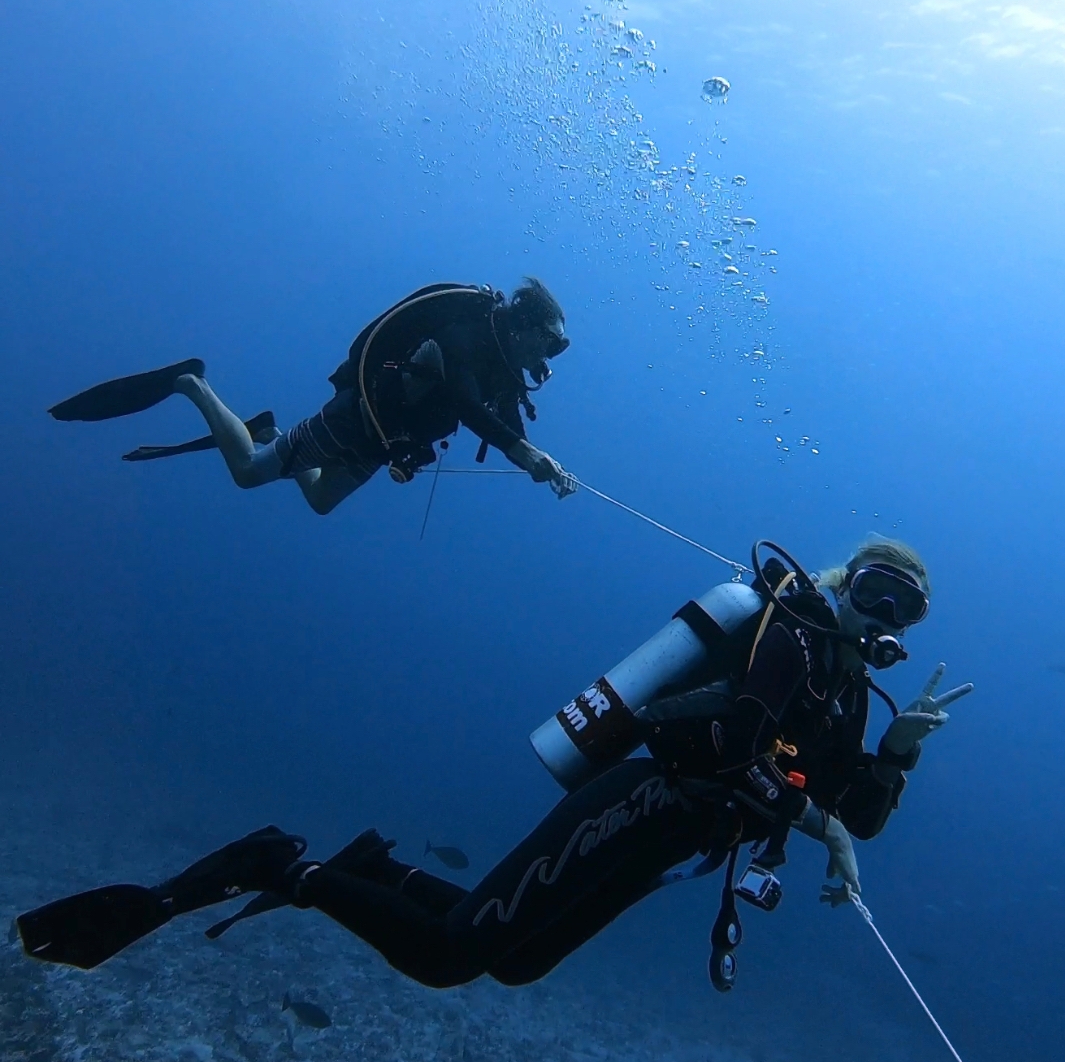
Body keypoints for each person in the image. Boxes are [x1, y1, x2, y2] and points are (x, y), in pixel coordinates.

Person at [16, 537, 972, 991]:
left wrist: (894, 755)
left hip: (678, 843)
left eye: (907, 613)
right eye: (881, 593)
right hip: (644, 804)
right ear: (850, 580)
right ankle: (287, 867)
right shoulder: (790, 637)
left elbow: (856, 807)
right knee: (449, 958)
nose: (887, 619)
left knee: (515, 963)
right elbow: (705, 736)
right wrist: (804, 807)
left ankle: (375, 870)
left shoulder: (847, 691)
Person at [47, 279, 576, 514]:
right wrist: (525, 455)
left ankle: (270, 431)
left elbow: (502, 416)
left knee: (321, 501)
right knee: (250, 472)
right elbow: (463, 399)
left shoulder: (503, 370)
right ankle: (193, 383)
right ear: (526, 327)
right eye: (551, 342)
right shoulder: (466, 336)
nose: (549, 357)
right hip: (355, 420)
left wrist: (545, 466)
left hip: (384, 444)